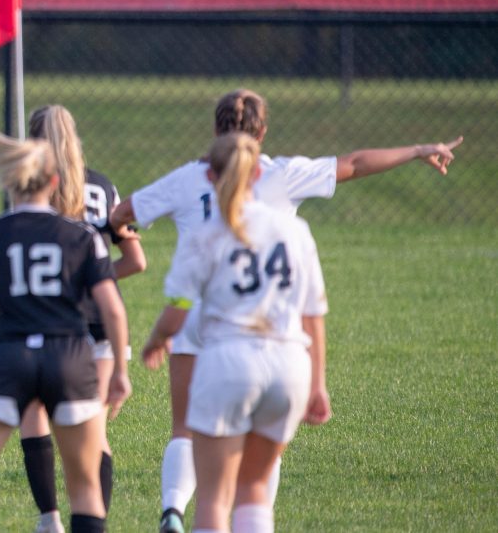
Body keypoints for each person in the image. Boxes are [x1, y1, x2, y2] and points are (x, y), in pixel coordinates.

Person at [109, 88, 462, 533]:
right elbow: (354, 164)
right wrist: (416, 149)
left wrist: (124, 235)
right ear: (263, 134)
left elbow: (123, 215)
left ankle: (172, 510)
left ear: (216, 134)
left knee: (187, 436)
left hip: (204, 321)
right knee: (254, 482)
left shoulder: (187, 183)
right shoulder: (287, 195)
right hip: (276, 337)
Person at [0, 109, 132, 533]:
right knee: (87, 494)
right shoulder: (84, 237)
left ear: (9, 182)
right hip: (71, 359)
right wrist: (121, 372)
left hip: (9, 358)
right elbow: (112, 308)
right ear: (55, 183)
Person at [141, 132, 331, 533]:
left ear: (209, 175)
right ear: (259, 173)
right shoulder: (294, 231)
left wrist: (157, 340)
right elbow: (313, 314)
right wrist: (318, 384)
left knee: (215, 497)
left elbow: (179, 306)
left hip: (230, 362)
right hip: (289, 364)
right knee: (255, 489)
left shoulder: (207, 233)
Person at [16, 105, 147, 533]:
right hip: (100, 323)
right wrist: (93, 282)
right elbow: (136, 260)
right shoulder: (104, 188)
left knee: (34, 413)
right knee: (94, 433)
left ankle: (49, 518)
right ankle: (94, 522)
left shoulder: (32, 186)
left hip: (48, 323)